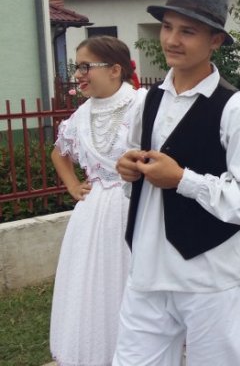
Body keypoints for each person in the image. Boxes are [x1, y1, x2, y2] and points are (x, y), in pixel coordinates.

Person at [114, 0, 240, 365]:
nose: (172, 39)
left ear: (215, 41)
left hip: (209, 277)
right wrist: (128, 169)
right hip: (148, 273)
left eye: (187, 31)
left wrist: (183, 180)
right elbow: (131, 162)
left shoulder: (237, 110)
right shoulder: (146, 101)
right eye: (168, 27)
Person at [49, 36, 144, 366]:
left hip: (136, 212)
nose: (79, 74)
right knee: (93, 293)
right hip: (92, 221)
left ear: (116, 69)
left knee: (131, 288)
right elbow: (59, 154)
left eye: (86, 67)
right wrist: (74, 185)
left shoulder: (143, 105)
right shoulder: (79, 116)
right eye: (77, 67)